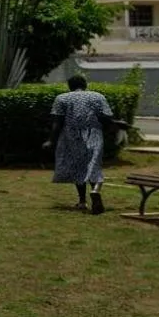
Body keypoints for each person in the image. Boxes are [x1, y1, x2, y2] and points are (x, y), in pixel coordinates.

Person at [45, 75, 116, 214]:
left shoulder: (62, 98)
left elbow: (57, 122)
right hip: (94, 134)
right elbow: (106, 118)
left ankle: (82, 201)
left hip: (72, 136)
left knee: (79, 167)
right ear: (85, 85)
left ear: (69, 86)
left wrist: (50, 140)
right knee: (94, 165)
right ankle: (95, 190)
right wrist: (115, 129)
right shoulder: (98, 96)